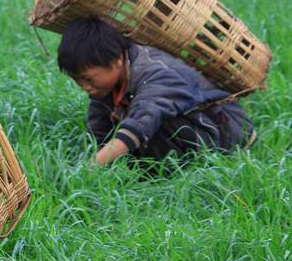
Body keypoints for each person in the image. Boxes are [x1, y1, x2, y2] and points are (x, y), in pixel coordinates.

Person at [57, 17, 255, 167]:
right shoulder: (105, 87)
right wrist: (85, 160)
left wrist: (90, 168)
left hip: (226, 133)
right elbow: (98, 133)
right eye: (77, 80)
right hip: (198, 126)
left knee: (153, 130)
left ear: (116, 60)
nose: (84, 86)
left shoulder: (157, 73)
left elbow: (141, 122)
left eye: (88, 79)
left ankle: (163, 174)